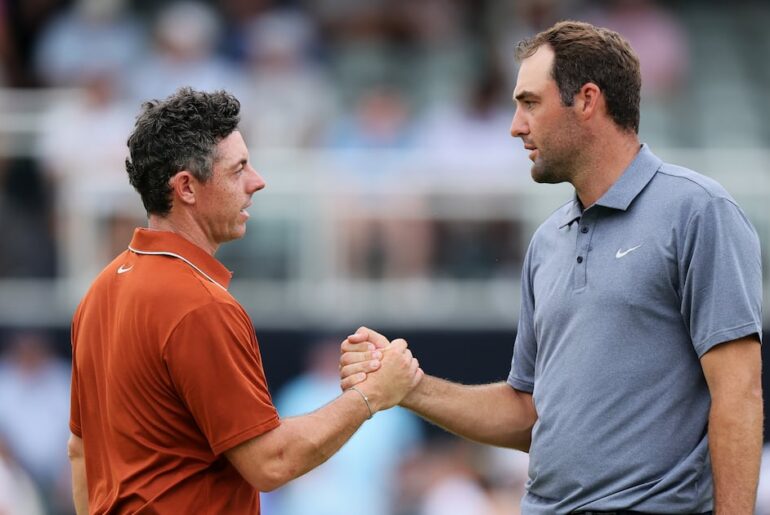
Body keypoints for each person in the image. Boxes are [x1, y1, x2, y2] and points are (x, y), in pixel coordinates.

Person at [340, 21, 763, 515]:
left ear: (587, 100)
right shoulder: (546, 241)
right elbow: (528, 413)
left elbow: (739, 393)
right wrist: (410, 387)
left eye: (530, 103)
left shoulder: (699, 211)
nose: (515, 125)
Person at [67, 87, 422, 514]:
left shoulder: (100, 290)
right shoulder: (201, 305)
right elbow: (270, 462)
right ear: (187, 188)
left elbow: (80, 452)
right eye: (238, 170)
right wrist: (371, 395)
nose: (257, 181)